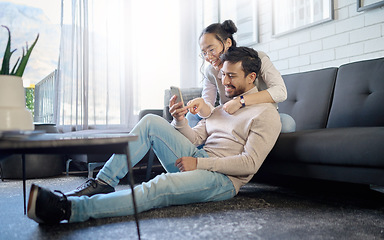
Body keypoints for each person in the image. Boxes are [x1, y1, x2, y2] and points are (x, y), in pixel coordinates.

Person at [27, 46, 282, 224]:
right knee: (150, 121)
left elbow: (249, 164)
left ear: (251, 77)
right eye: (223, 74)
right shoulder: (223, 107)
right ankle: (103, 183)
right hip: (197, 157)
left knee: (160, 186)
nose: (224, 81)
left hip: (222, 179)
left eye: (231, 76)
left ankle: (67, 209)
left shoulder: (266, 114)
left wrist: (201, 163)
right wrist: (179, 120)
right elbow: (193, 139)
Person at [186, 20, 295, 133]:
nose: (208, 57)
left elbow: (280, 92)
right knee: (192, 116)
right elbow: (207, 106)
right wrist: (201, 105)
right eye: (204, 53)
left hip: (259, 114)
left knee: (287, 123)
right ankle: (201, 149)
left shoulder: (257, 58)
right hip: (230, 117)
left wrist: (240, 101)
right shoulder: (211, 72)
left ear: (228, 43)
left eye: (211, 50)